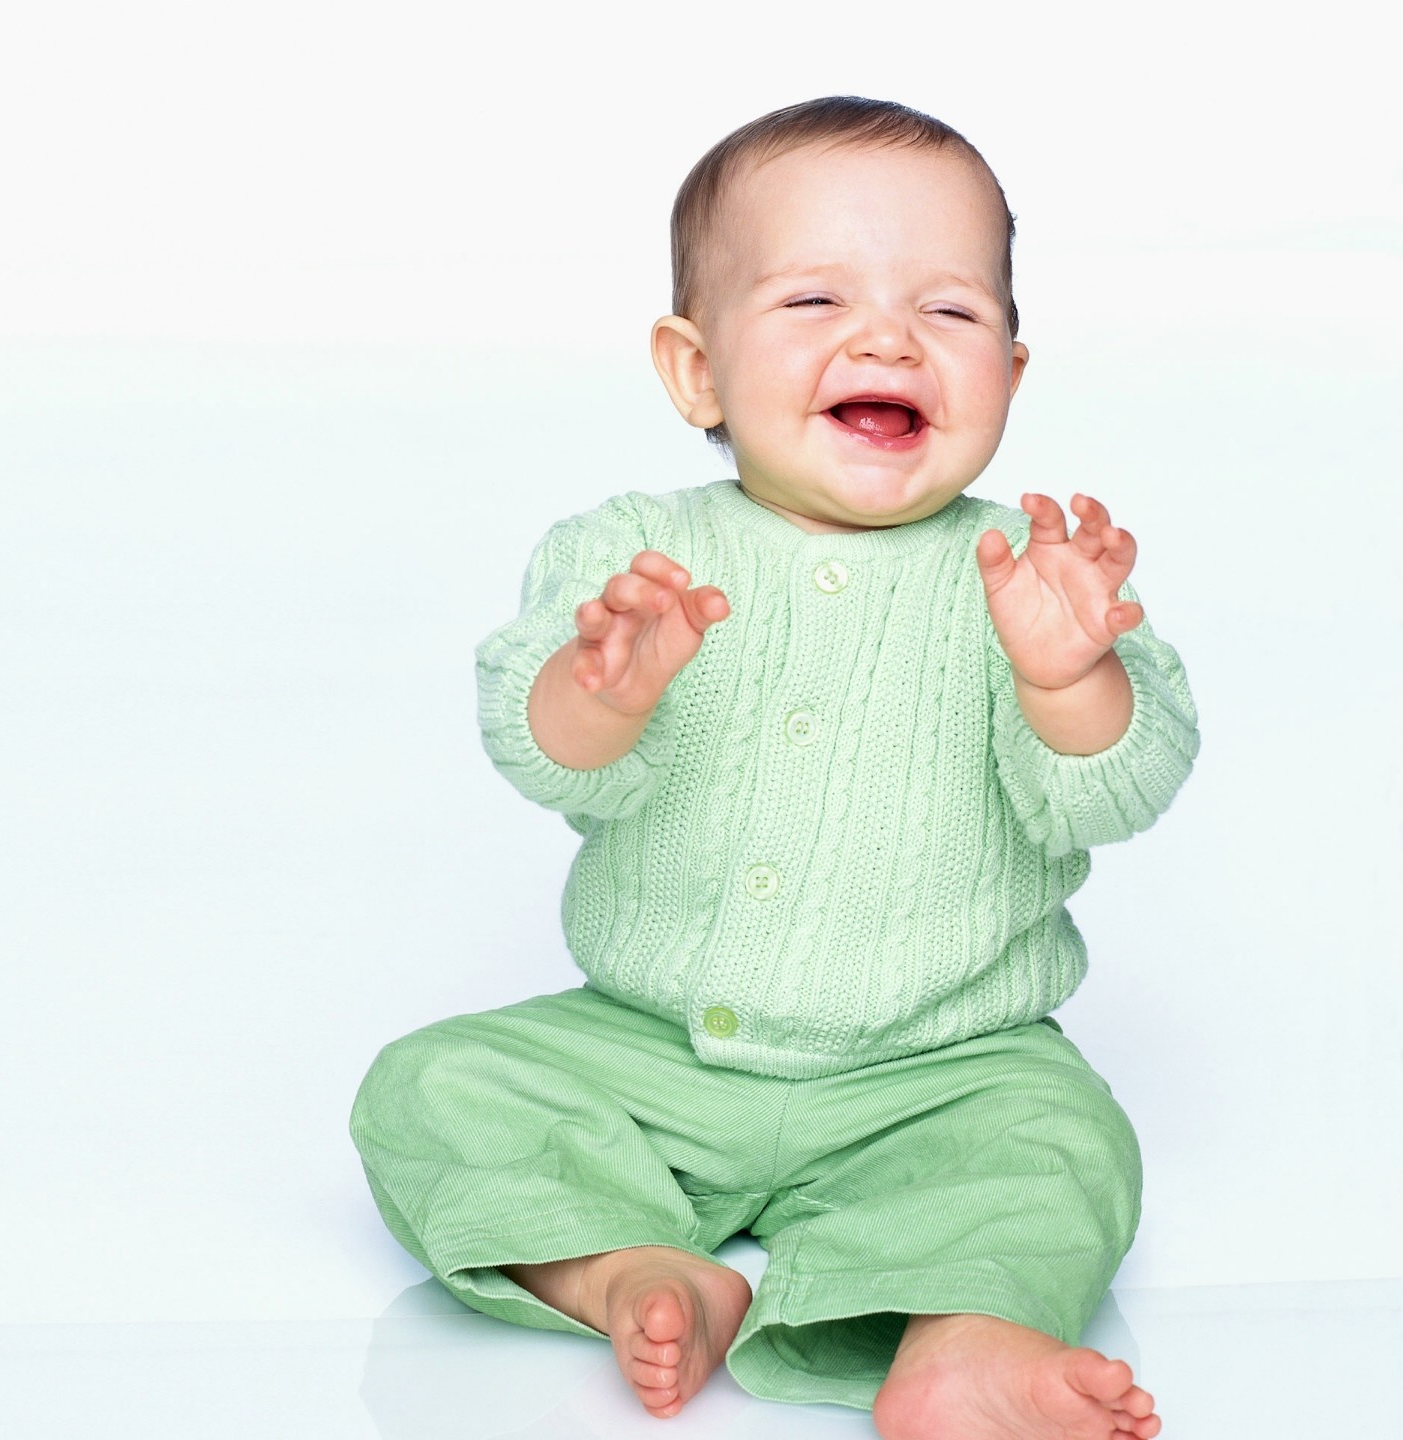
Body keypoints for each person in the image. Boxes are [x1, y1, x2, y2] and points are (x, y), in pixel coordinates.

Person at [350, 95, 1196, 1440]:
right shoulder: (632, 553)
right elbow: (547, 756)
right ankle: (628, 1269)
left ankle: (962, 1346)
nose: (888, 339)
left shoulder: (1029, 575)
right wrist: (600, 693)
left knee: (1059, 1146)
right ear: (695, 371)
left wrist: (1068, 677)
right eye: (815, 300)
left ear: (1012, 373)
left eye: (949, 311)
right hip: (651, 1045)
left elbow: (1118, 788)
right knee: (433, 1089)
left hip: (944, 1065)